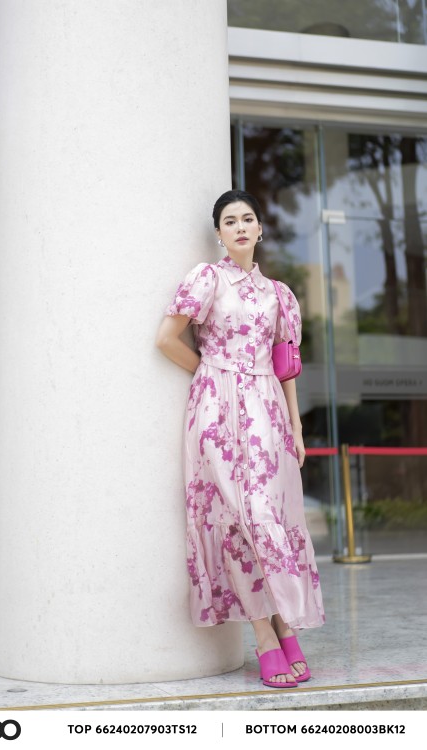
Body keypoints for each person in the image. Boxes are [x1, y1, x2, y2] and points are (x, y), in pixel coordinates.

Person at [156, 189, 325, 688]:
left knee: (269, 515)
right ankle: (266, 635)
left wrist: (295, 425)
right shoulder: (206, 279)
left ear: (259, 229)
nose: (240, 227)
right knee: (235, 518)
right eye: (230, 221)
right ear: (219, 233)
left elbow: (285, 365)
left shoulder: (279, 294)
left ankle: (285, 623)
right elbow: (167, 338)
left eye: (248, 218)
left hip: (267, 410)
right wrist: (212, 374)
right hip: (216, 411)